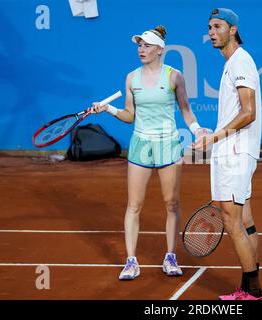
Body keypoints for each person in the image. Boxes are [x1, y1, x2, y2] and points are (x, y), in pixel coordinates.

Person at [91, 25, 206, 280]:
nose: (141, 49)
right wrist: (108, 109)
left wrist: (197, 130)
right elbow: (130, 115)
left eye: (146, 45)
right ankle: (131, 261)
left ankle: (170, 256)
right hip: (141, 144)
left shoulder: (174, 76)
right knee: (134, 205)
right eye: (139, 45)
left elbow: (186, 109)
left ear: (159, 49)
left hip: (168, 144)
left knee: (171, 203)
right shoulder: (132, 78)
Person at [193, 8, 262, 300]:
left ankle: (256, 292)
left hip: (235, 152)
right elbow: (239, 113)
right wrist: (215, 132)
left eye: (217, 26)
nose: (211, 32)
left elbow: (249, 113)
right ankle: (249, 288)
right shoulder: (235, 63)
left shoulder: (240, 62)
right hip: (236, 149)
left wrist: (216, 136)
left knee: (231, 220)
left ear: (232, 29)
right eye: (209, 27)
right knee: (245, 219)